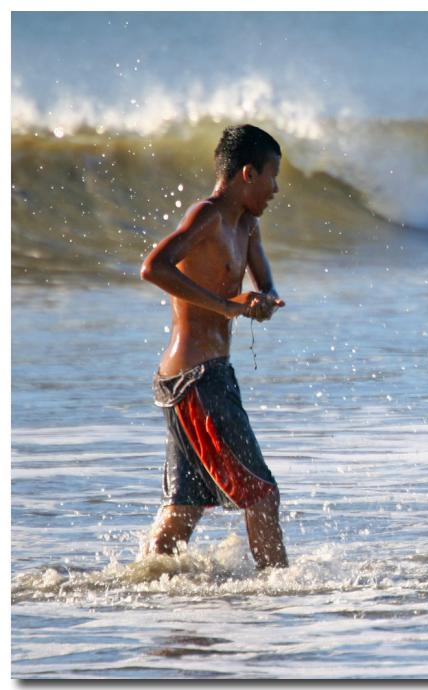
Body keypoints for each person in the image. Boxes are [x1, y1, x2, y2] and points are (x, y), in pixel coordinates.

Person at [139, 124, 288, 569]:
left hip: (200, 379)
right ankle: (277, 598)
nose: (276, 188)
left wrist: (264, 300)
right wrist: (226, 307)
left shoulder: (248, 226)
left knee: (185, 509)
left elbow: (264, 283)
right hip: (197, 381)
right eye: (272, 176)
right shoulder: (206, 217)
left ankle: (138, 587)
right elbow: (153, 268)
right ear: (247, 173)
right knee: (262, 496)